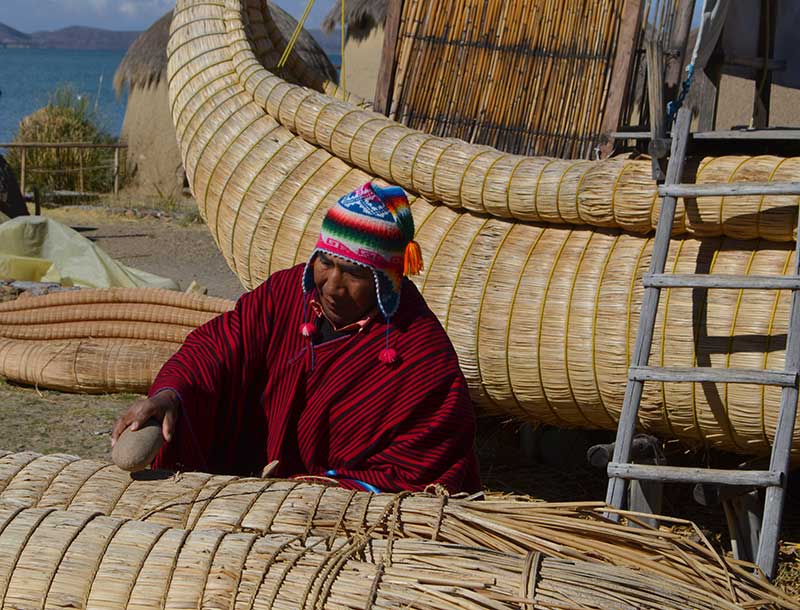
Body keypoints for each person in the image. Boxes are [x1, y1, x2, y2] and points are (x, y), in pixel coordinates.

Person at [111, 182, 480, 493]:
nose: (333, 286)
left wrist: (311, 491)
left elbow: (423, 467)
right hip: (253, 473)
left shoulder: (421, 354)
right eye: (326, 262)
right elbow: (221, 344)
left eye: (354, 273)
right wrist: (170, 394)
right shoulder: (287, 294)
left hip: (335, 508)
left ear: (386, 280)